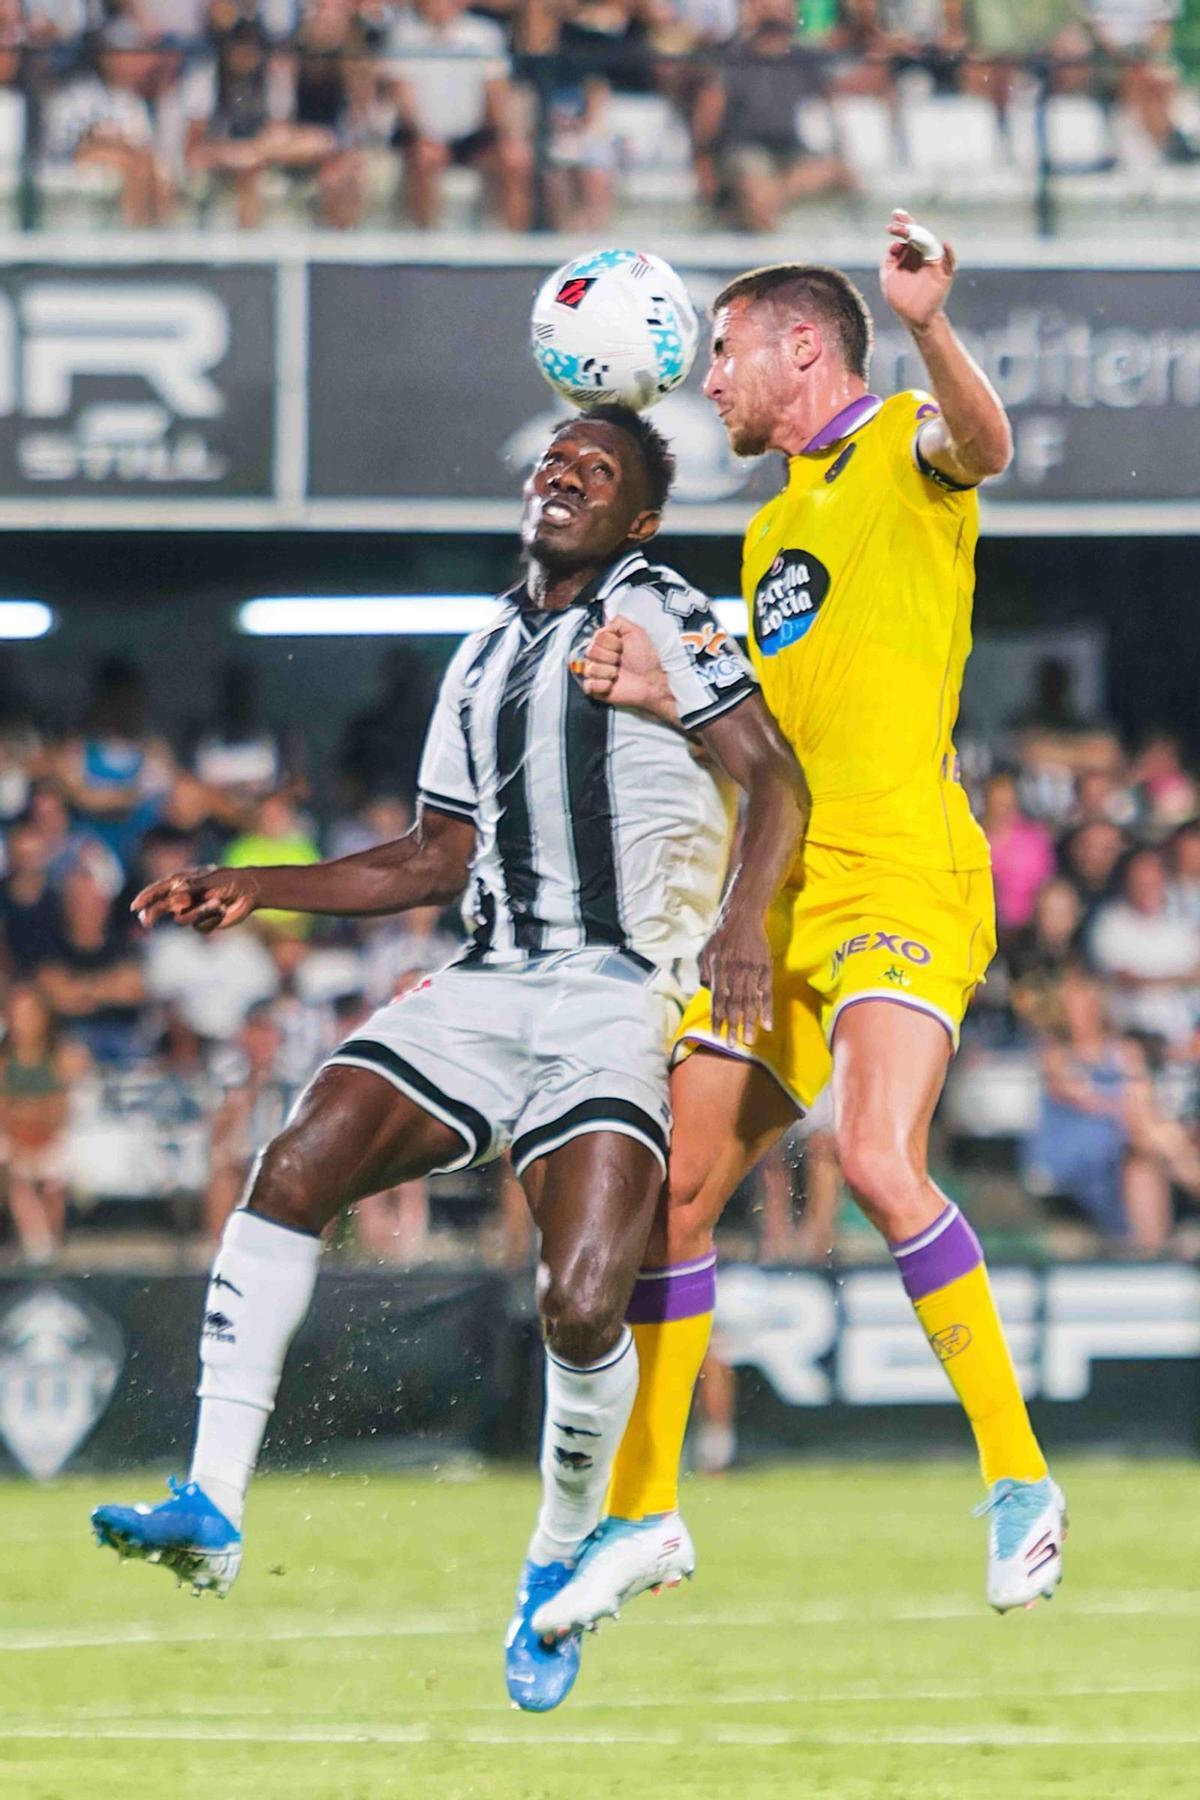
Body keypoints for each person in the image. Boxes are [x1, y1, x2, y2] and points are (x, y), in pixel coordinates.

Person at [89, 404, 808, 1716]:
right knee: (296, 1160)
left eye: (596, 472)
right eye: (553, 462)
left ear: (639, 520)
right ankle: (213, 1501)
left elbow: (777, 779)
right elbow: (433, 854)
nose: (562, 477)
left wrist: (748, 925)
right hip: (482, 989)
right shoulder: (481, 651)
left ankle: (551, 1563)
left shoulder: (669, 610)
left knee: (584, 1301)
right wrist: (258, 881)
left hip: (613, 998)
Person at [537, 212, 1065, 1647]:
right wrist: (662, 701)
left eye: (723, 351)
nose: (705, 380)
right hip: (784, 887)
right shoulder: (771, 528)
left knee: (881, 1161)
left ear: (803, 347)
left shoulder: (905, 436)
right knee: (674, 1191)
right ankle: (645, 1516)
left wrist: (932, 324)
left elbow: (989, 447)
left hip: (900, 873)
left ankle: (1019, 1483)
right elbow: (766, 742)